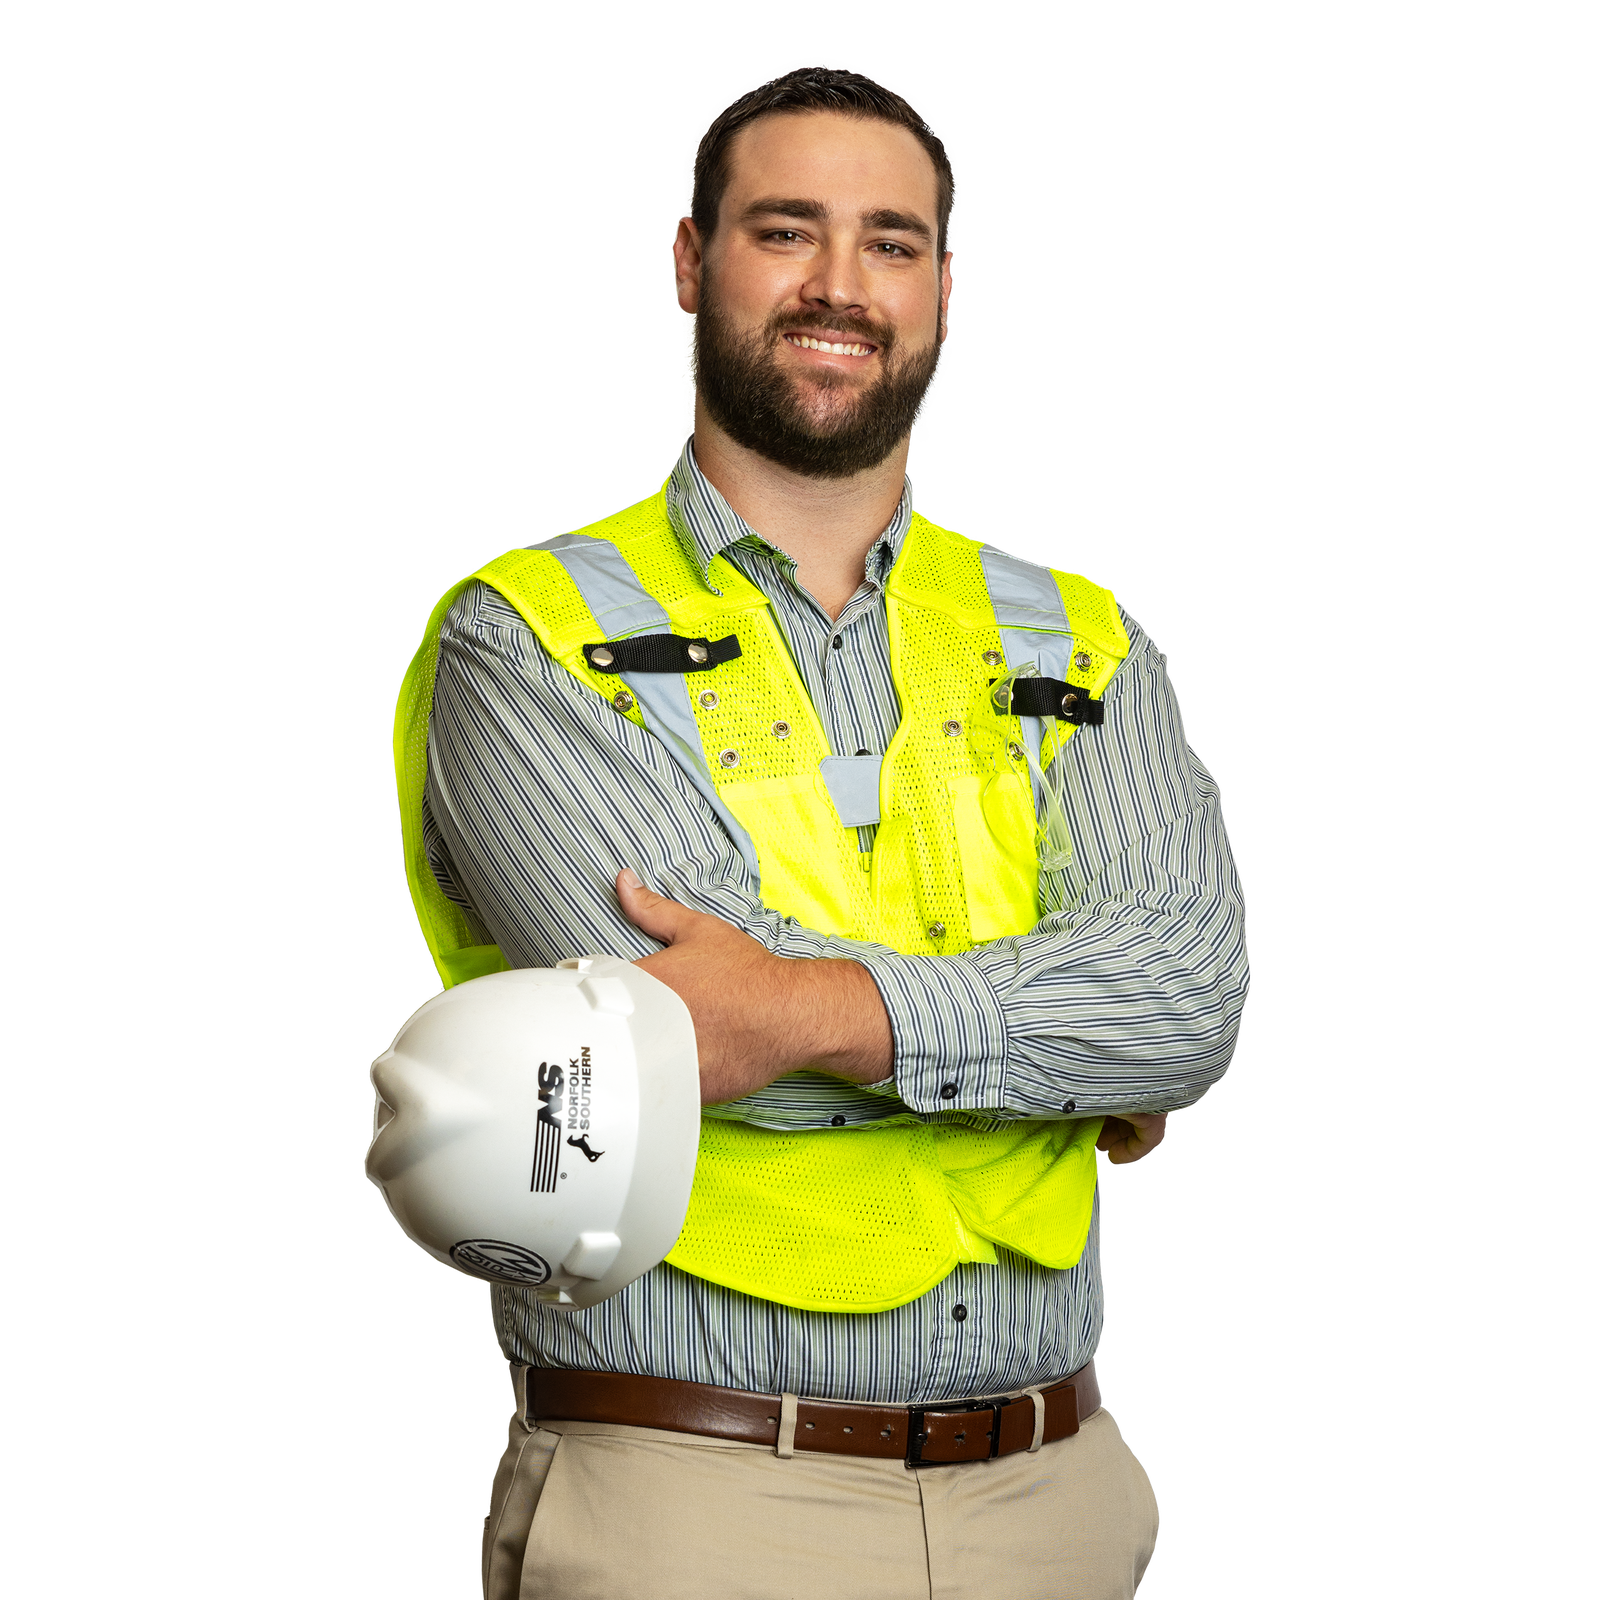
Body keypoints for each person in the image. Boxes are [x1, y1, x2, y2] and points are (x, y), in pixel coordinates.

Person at [394, 59, 1250, 1599]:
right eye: (787, 231)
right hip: (693, 1499)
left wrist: (802, 1006)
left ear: (940, 290)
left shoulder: (1082, 633)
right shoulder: (526, 636)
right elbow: (679, 1053)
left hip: (1059, 1494)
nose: (841, 286)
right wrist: (1062, 1061)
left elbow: (1184, 1005)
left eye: (893, 242)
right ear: (686, 259)